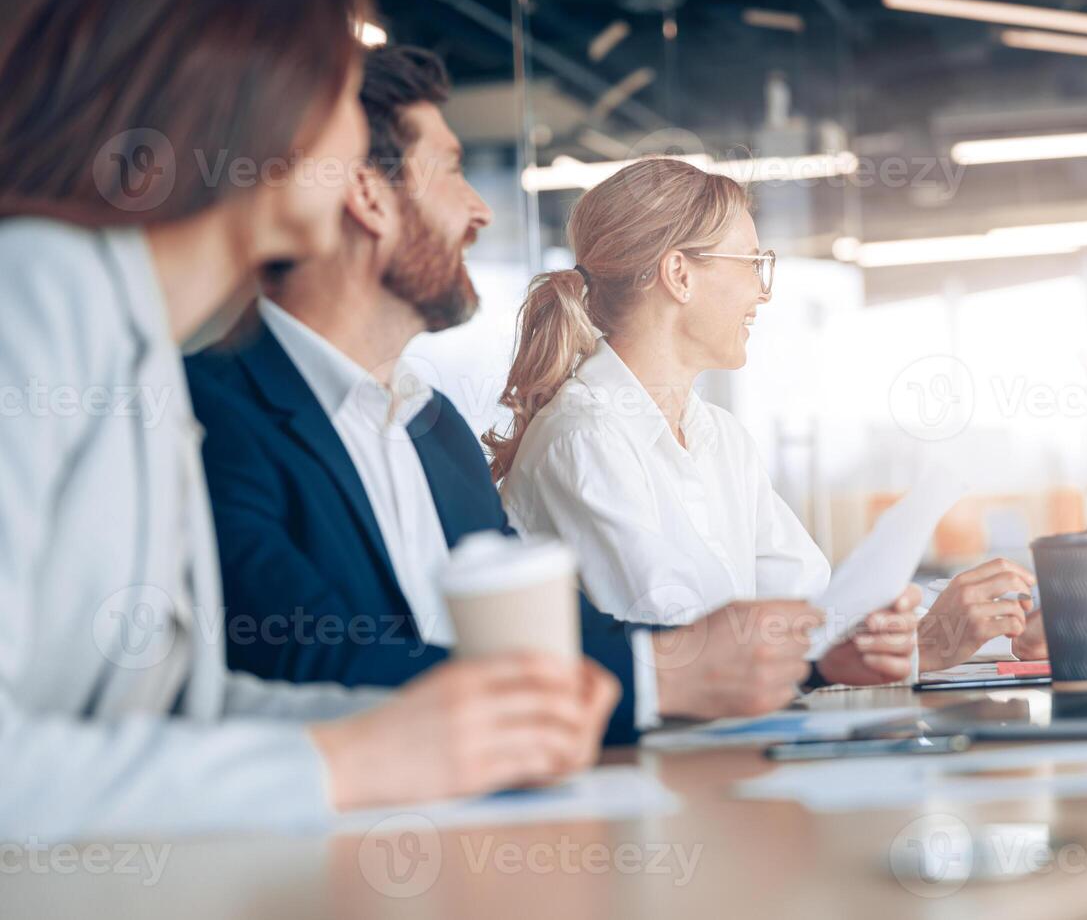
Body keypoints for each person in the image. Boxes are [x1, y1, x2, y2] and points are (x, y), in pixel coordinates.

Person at [0, 0, 613, 841]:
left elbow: (182, 710)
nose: (359, 150)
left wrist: (445, 731)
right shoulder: (35, 292)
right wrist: (356, 762)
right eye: (339, 101)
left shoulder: (148, 353)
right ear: (255, 110)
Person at [186, 45, 836, 738]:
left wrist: (763, 660)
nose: (480, 211)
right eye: (454, 171)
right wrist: (662, 676)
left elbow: (561, 631)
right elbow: (301, 661)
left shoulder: (433, 429)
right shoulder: (210, 415)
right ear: (369, 198)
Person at [490, 159, 1087, 679]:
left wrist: (988, 624)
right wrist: (919, 641)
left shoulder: (717, 437)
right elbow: (693, 655)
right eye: (751, 265)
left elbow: (820, 610)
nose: (762, 292)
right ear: (679, 276)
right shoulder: (585, 440)